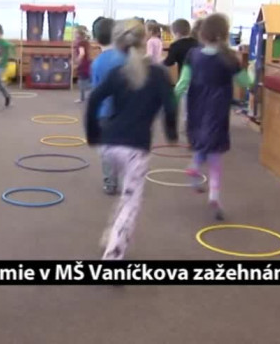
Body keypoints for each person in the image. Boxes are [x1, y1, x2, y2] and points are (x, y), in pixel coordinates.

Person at [85, 19, 178, 260]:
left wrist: (92, 134)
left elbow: (94, 99)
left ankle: (112, 232)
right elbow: (171, 106)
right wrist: (171, 133)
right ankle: (113, 255)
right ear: (144, 40)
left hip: (109, 145)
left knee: (127, 195)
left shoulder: (118, 72)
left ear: (118, 43)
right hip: (135, 149)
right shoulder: (158, 74)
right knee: (131, 203)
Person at [174, 13, 254, 221]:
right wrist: (252, 73)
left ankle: (195, 166)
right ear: (225, 34)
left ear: (202, 33)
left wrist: (171, 101)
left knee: (202, 140)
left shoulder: (193, 54)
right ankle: (214, 196)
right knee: (215, 151)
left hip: (196, 105)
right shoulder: (230, 58)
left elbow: (183, 82)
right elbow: (246, 82)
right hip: (217, 108)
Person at [90, 17, 126, 195]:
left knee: (107, 148)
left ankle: (110, 183)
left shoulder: (97, 63)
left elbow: (96, 92)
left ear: (95, 39)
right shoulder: (126, 58)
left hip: (105, 113)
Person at [73, 25, 92, 103]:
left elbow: (82, 53)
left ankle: (83, 98)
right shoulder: (86, 42)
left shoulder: (80, 43)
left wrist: (77, 61)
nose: (74, 34)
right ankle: (84, 97)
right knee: (85, 80)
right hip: (87, 63)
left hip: (83, 64)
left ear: (79, 34)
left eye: (75, 33)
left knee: (82, 82)